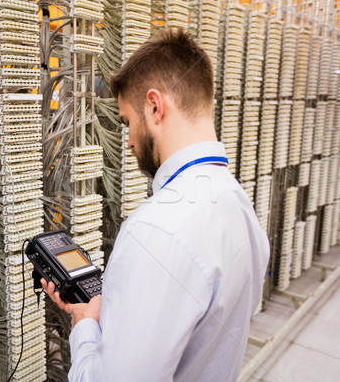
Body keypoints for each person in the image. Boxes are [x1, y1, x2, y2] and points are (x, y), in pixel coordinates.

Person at [42, 27, 270, 382]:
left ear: (154, 106)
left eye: (128, 122)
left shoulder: (155, 230)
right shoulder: (239, 206)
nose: (129, 141)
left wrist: (85, 324)